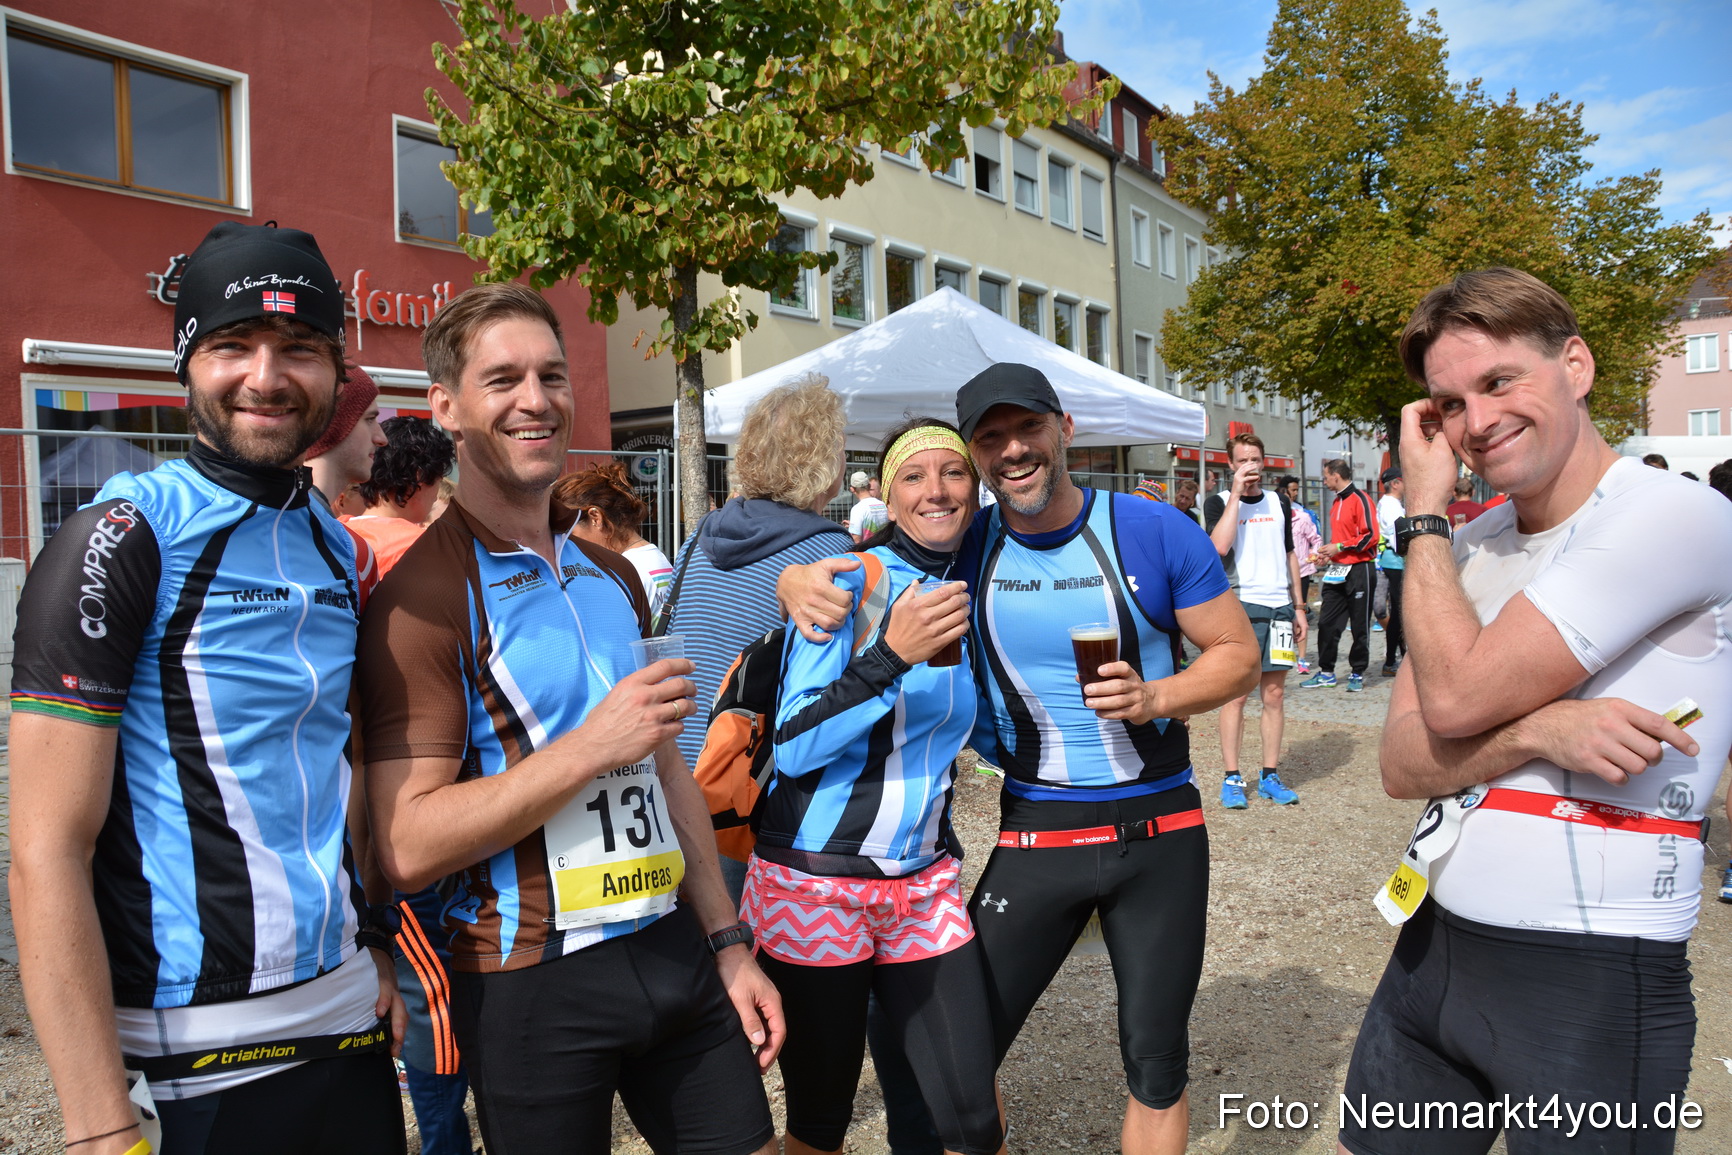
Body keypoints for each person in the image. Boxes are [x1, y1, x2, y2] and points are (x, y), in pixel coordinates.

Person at [781, 363, 1259, 1155]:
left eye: (1028, 427)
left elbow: (1239, 654)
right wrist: (793, 580)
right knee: (942, 1053)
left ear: (1063, 428)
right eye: (991, 437)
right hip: (1040, 828)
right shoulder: (968, 544)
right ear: (978, 454)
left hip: (1161, 829)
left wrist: (1156, 696)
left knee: (1155, 1061)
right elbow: (869, 561)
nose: (1013, 449)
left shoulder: (1151, 529)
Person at [9, 221, 406, 1154]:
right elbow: (43, 850)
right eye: (233, 344)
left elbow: (333, 772)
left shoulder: (337, 547)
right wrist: (97, 1121)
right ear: (186, 361)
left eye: (299, 346)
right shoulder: (120, 538)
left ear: (335, 369)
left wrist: (375, 944)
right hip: (193, 1052)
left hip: (347, 1020)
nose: (266, 375)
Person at [358, 282, 779, 1155]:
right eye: (502, 379)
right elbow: (406, 843)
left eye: (551, 375)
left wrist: (728, 940)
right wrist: (591, 746)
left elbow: (665, 768)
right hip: (531, 982)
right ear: (446, 407)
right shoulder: (423, 598)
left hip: (669, 942)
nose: (536, 399)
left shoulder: (610, 572)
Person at [1341, 267, 1732, 1155]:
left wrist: (1424, 516)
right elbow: (1401, 763)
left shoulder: (1675, 514)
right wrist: (1539, 730)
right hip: (1433, 949)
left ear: (1577, 367)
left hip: (1591, 972)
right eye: (1449, 402)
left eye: (1499, 381)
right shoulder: (1464, 545)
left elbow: (1453, 699)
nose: (1476, 422)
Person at [750, 418, 1001, 1155]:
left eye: (953, 473)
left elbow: (972, 730)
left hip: (922, 886)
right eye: (913, 477)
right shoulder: (847, 583)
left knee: (974, 1119)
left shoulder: (967, 581)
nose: (936, 490)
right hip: (816, 885)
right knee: (821, 1122)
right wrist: (892, 654)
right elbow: (794, 745)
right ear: (887, 499)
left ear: (974, 489)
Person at [1204, 433, 1307, 808]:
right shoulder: (1218, 501)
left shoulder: (1279, 501)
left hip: (1279, 607)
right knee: (1236, 695)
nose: (1251, 466)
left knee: (1275, 695)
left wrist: (1299, 606)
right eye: (1243, 460)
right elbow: (1218, 547)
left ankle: (1270, 775)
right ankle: (1232, 777)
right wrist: (1235, 493)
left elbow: (1290, 553)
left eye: (1256, 460)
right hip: (1241, 606)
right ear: (1231, 464)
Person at [552, 460, 676, 618]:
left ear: (596, 518)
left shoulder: (624, 574)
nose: (567, 544)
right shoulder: (654, 560)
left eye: (570, 534)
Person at [1300, 459, 1378, 692]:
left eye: (1325, 477)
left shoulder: (1361, 499)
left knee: (1359, 625)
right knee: (1326, 622)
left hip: (1360, 569)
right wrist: (1326, 555)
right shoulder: (1336, 502)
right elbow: (1340, 540)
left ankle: (1357, 672)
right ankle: (1326, 672)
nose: (1324, 482)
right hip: (1337, 570)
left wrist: (1340, 547)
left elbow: (1370, 536)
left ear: (1336, 475)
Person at [347, 416, 456, 572]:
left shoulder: (335, 533)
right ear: (420, 477)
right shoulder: (422, 547)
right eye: (439, 481)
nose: (435, 496)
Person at [306, 365, 385, 514]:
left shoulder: (310, 517)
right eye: (369, 419)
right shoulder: (294, 522)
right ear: (332, 424)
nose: (382, 439)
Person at [1375, 467, 1406, 677]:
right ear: (1395, 483)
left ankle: (1396, 658)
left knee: (1397, 612)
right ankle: (1393, 660)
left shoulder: (1386, 503)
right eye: (1404, 480)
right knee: (1399, 613)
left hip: (1389, 561)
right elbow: (1397, 537)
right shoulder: (1392, 506)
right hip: (1394, 562)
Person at [847, 469, 890, 541]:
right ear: (869, 486)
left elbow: (856, 539)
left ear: (852, 489)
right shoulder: (883, 505)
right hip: (884, 546)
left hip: (868, 547)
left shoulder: (857, 509)